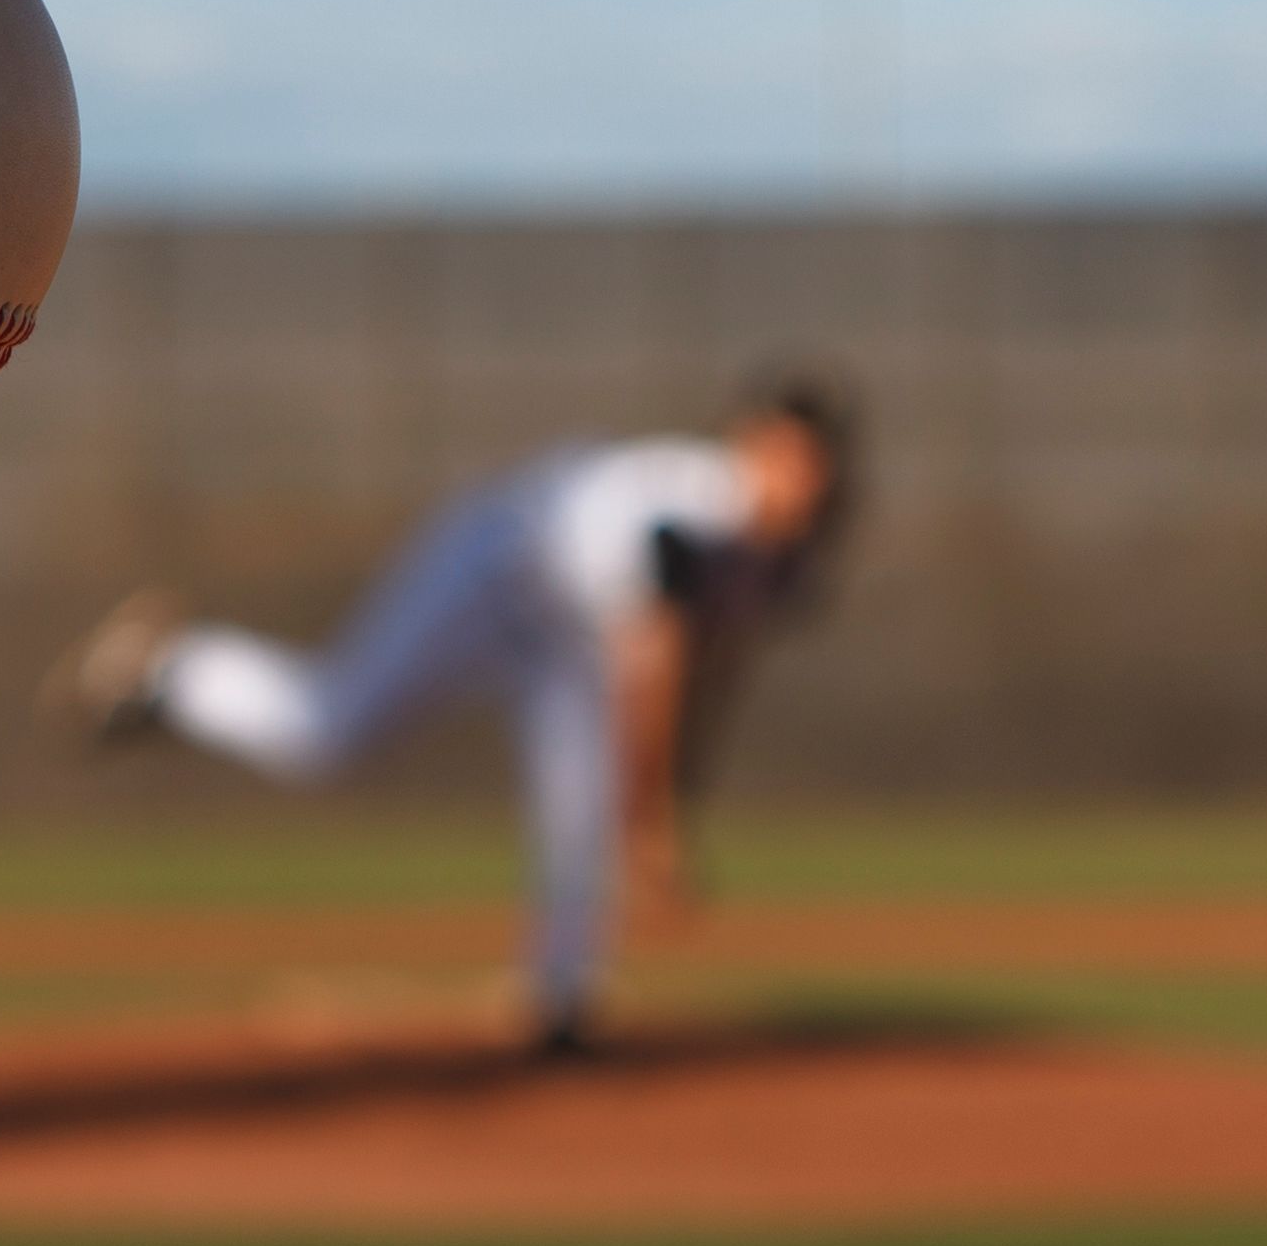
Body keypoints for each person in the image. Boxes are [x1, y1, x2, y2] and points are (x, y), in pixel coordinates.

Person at [51, 379, 861, 1052]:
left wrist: (665, 798)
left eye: (817, 470)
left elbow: (709, 672)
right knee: (329, 730)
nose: (804, 483)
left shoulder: (776, 560)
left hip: (565, 629)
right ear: (755, 443)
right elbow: (657, 663)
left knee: (580, 810)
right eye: (793, 459)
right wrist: (652, 824)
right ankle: (176, 669)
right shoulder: (704, 507)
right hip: (497, 566)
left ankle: (561, 1007)